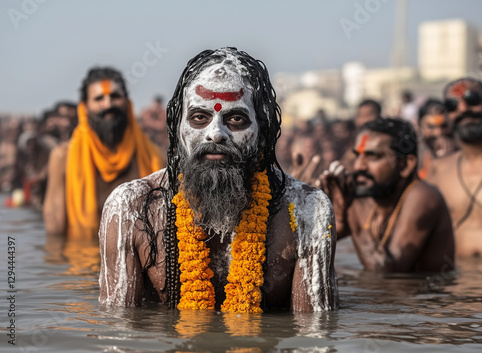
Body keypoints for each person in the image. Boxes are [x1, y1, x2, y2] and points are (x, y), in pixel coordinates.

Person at [99, 47, 338, 312]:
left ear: (262, 131)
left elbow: (314, 337)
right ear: (178, 128)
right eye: (199, 117)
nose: (215, 134)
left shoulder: (307, 210)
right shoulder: (130, 209)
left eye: (235, 119)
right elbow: (118, 334)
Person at [316, 117, 455, 272]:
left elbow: (386, 271)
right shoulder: (368, 197)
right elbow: (311, 247)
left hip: (425, 295)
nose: (359, 166)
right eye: (358, 156)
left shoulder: (423, 196)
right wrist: (335, 212)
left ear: (405, 165)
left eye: (373, 156)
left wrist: (351, 211)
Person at [43, 67, 164, 239]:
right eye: (99, 98)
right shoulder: (62, 158)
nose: (108, 104)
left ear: (128, 104)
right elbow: (54, 235)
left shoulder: (154, 157)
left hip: (139, 262)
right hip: (84, 259)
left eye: (115, 96)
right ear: (84, 108)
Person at [427, 77, 482, 257]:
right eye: (452, 105)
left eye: (472, 100)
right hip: (454, 283)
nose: (463, 109)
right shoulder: (438, 170)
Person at [417, 98, 457, 179]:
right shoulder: (417, 155)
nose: (438, 132)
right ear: (420, 127)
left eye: (444, 126)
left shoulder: (463, 153)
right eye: (430, 127)